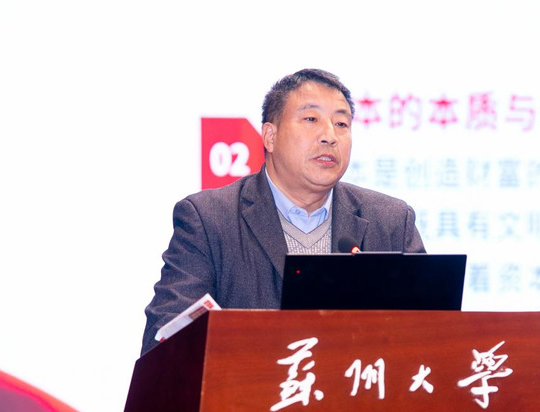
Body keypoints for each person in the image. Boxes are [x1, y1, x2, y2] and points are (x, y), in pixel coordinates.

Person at [141, 69, 425, 353]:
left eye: (341, 123)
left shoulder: (390, 222)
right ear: (270, 136)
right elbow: (164, 337)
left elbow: (433, 335)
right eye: (311, 119)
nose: (330, 136)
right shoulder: (210, 220)